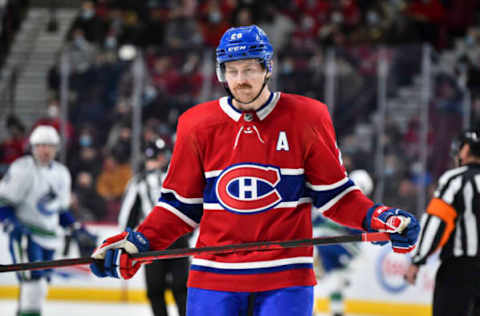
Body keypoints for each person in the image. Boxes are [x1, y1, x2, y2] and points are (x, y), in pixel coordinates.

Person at [90, 25, 420, 316]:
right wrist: (138, 242)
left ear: (267, 69)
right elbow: (180, 206)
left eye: (249, 69)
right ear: (221, 73)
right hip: (213, 277)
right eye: (232, 71)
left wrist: (379, 217)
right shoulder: (195, 124)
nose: (241, 80)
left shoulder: (308, 117)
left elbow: (336, 196)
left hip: (286, 278)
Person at [0, 125, 96, 316]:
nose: (45, 150)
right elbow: (4, 202)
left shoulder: (61, 173)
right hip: (26, 236)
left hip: (50, 237)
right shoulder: (22, 169)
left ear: (56, 148)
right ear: (33, 147)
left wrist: (75, 228)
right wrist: (12, 224)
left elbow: (59, 210)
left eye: (49, 145)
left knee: (40, 286)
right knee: (31, 286)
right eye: (41, 145)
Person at [405, 128, 480, 316]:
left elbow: (436, 221)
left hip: (460, 270)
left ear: (465, 150)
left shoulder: (455, 180)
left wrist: (418, 259)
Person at [118, 137, 189, 316]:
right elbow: (128, 216)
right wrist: (127, 240)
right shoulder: (140, 182)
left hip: (168, 240)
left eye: (158, 157)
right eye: (154, 158)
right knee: (159, 288)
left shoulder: (176, 177)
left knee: (179, 288)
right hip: (153, 242)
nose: (157, 161)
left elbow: (127, 217)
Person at [313, 169, 374, 316]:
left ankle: (324, 310)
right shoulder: (359, 207)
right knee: (335, 280)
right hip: (331, 245)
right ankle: (330, 311)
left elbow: (316, 220)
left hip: (326, 244)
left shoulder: (331, 196)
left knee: (331, 280)